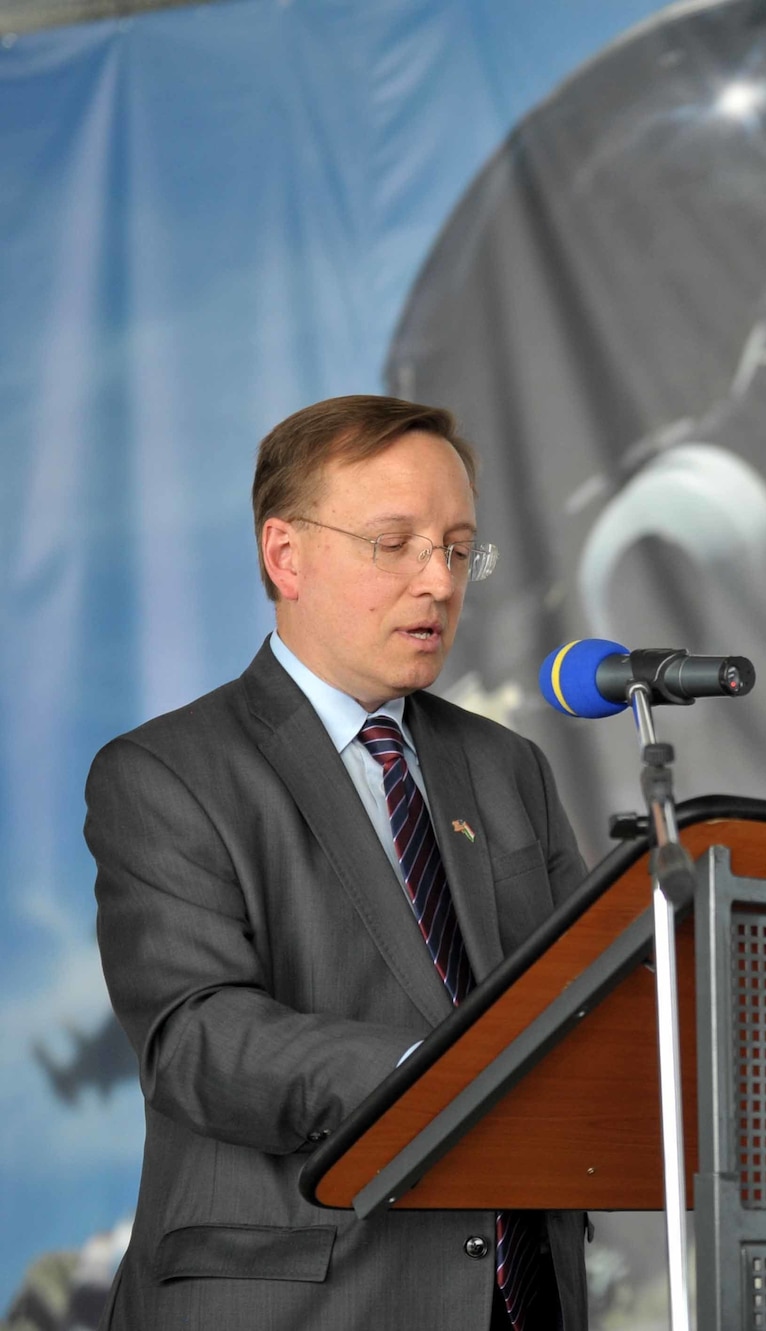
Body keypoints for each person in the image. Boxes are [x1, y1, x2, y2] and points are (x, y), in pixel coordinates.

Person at [87, 397, 589, 1330]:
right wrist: (437, 1070)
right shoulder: (166, 771)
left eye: (455, 547)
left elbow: (580, 999)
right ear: (285, 555)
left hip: (520, 1296)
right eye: (393, 543)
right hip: (299, 1298)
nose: (436, 582)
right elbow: (198, 1038)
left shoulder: (506, 766)